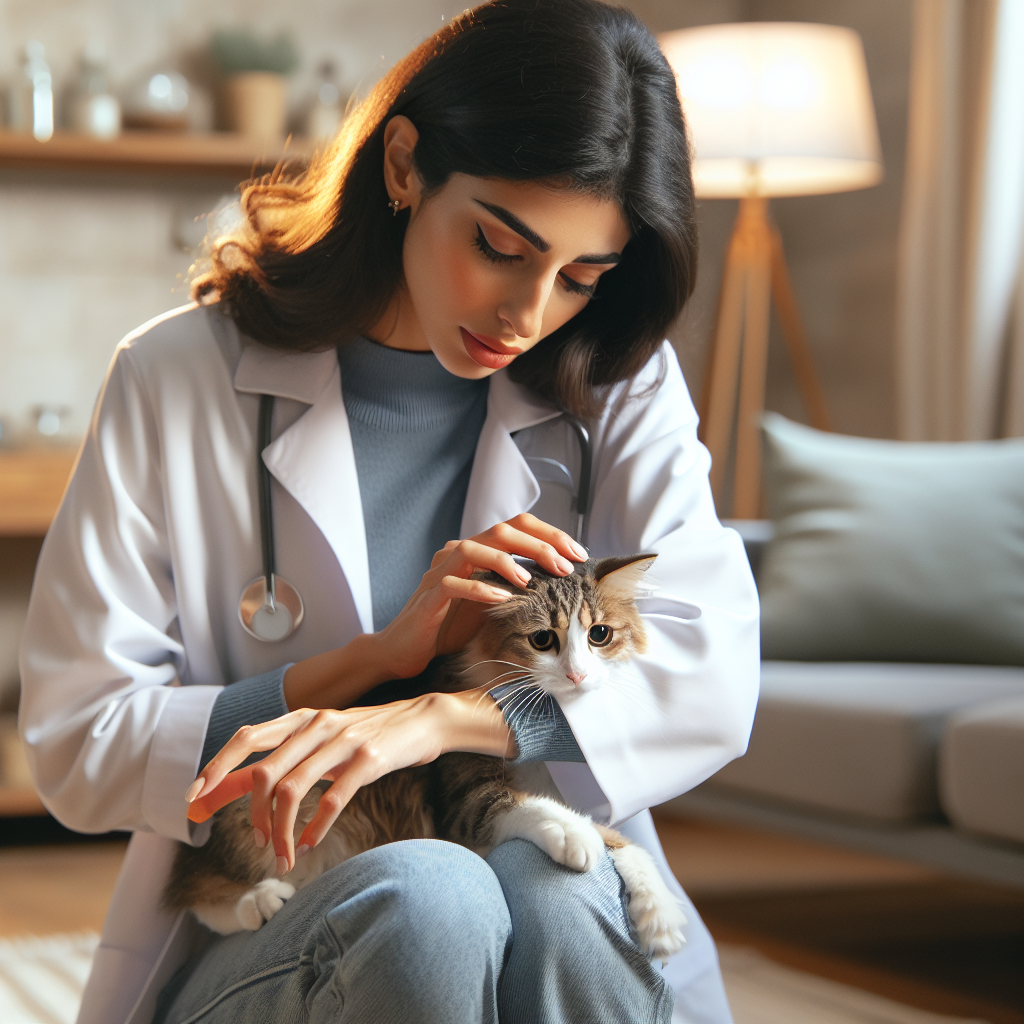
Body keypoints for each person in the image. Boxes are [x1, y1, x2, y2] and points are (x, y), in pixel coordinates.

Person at [18, 1, 760, 1022]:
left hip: (549, 910)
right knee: (430, 895)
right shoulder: (175, 377)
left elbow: (710, 669)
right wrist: (356, 674)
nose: (529, 314)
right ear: (404, 165)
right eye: (501, 245)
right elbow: (78, 742)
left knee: (559, 888)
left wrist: (440, 718)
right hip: (282, 919)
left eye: (581, 277)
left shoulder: (618, 387)